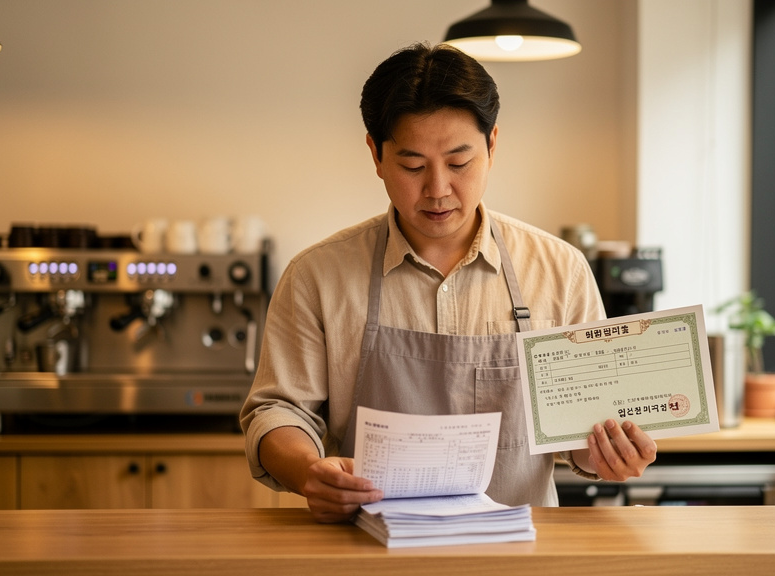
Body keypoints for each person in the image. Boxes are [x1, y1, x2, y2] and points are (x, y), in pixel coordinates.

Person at [239, 42, 657, 523]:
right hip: (369, 551)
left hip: (521, 556)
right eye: (413, 166)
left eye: (459, 163)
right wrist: (309, 469)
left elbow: (580, 437)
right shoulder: (317, 276)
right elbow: (277, 411)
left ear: (492, 145)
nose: (438, 189)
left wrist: (606, 454)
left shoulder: (560, 270)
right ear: (375, 154)